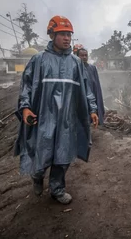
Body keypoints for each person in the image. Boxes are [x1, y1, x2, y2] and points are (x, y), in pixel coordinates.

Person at [14, 15, 99, 205]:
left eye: (69, 34)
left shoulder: (76, 63)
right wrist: (25, 108)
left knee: (62, 156)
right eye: (62, 34)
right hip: (44, 117)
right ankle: (37, 177)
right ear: (52, 35)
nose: (67, 38)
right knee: (41, 153)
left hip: (66, 119)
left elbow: (86, 89)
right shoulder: (39, 60)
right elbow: (26, 86)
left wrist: (92, 109)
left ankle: (57, 189)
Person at [76, 48, 105, 125]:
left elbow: (96, 85)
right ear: (77, 56)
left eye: (86, 55)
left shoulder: (92, 68)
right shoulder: (75, 68)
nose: (84, 57)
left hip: (91, 95)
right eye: (82, 55)